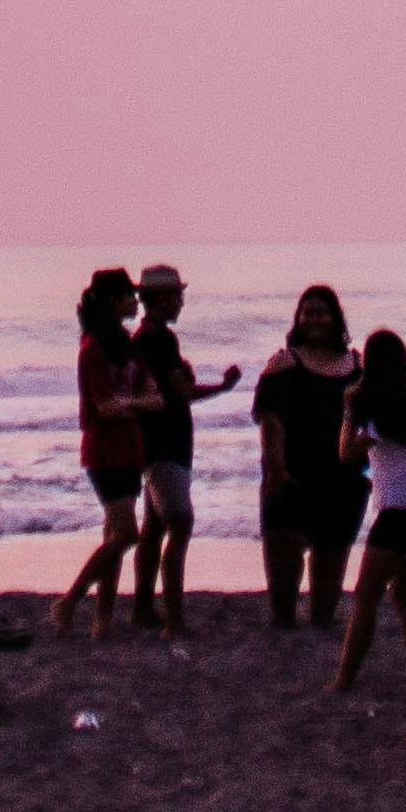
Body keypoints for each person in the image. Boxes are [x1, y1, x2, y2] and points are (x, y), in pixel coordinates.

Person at [123, 262, 241, 638]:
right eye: (178, 296)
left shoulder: (140, 339)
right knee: (180, 522)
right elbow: (181, 392)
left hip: (151, 441)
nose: (181, 304)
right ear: (165, 298)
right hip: (167, 442)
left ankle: (144, 609)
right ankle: (173, 620)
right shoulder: (160, 339)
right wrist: (222, 387)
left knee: (154, 527)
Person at [332, 325, 406, 697]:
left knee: (366, 595)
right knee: (403, 595)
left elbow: (345, 454)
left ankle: (345, 678)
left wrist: (348, 412)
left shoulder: (371, 412)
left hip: (397, 510)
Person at [250, 285, 363, 630]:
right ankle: (284, 626)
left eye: (322, 312)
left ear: (335, 318)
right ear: (298, 319)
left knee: (328, 589)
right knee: (284, 585)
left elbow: (369, 423)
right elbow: (271, 420)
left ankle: (320, 623)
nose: (314, 319)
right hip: (293, 476)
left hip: (341, 479)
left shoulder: (356, 366)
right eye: (308, 312)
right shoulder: (284, 363)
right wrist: (276, 470)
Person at [53, 268, 150, 636]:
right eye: (128, 295)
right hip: (104, 450)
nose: (134, 301)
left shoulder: (125, 341)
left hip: (130, 447)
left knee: (114, 536)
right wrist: (138, 404)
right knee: (127, 534)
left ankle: (103, 620)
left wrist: (136, 403)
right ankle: (70, 601)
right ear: (111, 300)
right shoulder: (92, 347)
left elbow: (147, 391)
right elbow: (104, 406)